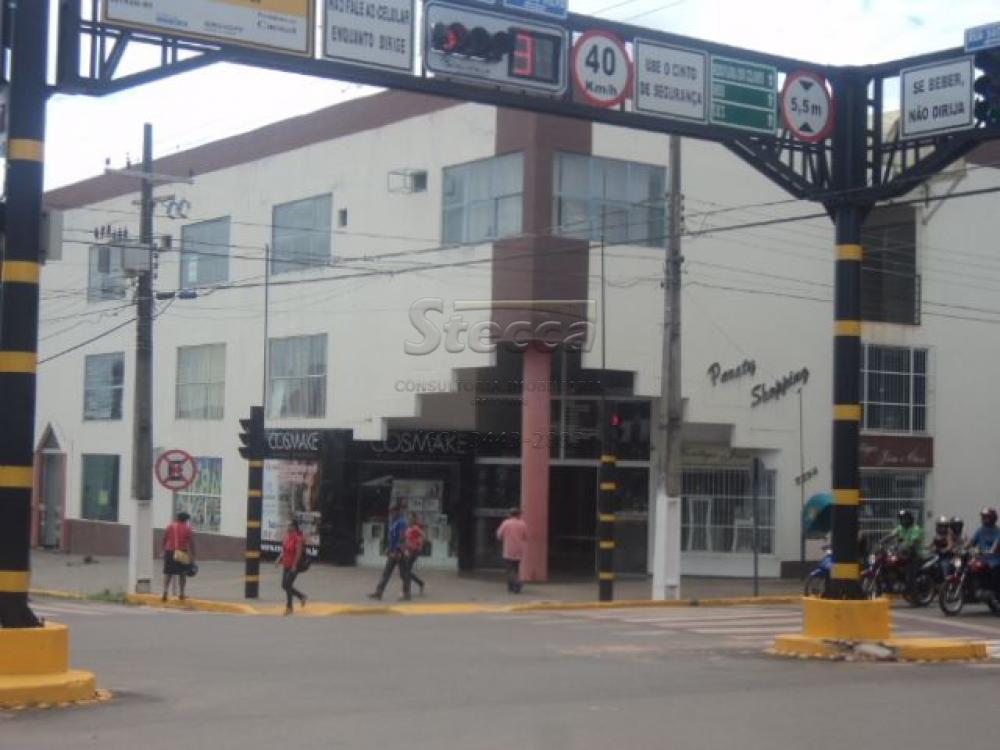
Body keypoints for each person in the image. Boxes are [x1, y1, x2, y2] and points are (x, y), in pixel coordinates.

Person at [369, 505, 411, 601]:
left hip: (400, 552)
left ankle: (406, 593)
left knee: (403, 574)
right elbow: (392, 537)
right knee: (386, 572)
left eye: (393, 512)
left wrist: (398, 551)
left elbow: (402, 537)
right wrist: (389, 548)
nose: (391, 514)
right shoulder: (394, 522)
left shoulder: (402, 522)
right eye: (391, 512)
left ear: (398, 511)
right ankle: (379, 592)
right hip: (393, 552)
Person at [276, 520, 308, 616]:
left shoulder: (297, 539)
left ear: (294, 527)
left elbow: (298, 553)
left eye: (289, 525)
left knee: (288, 584)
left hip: (294, 566)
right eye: (287, 525)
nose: (288, 527)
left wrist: (294, 565)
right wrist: (279, 559)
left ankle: (289, 607)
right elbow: (284, 550)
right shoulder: (286, 537)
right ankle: (302, 596)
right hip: (286, 564)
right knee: (284, 585)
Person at [162, 511, 195, 602]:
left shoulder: (170, 526)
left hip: (170, 551)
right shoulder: (188, 528)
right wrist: (193, 554)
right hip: (181, 552)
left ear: (177, 518)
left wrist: (163, 549)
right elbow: (191, 542)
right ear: (186, 520)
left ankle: (165, 591)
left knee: (168, 573)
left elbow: (165, 538)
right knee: (183, 573)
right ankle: (181, 593)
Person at [968, 507, 1000, 595]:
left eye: (986, 517)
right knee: (970, 567)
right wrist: (963, 547)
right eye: (983, 517)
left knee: (994, 572)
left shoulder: (997, 532)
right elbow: (972, 542)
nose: (983, 519)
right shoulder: (980, 530)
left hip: (995, 560)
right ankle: (974, 589)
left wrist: (991, 551)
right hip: (982, 559)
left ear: (992, 518)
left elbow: (996, 546)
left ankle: (994, 592)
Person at [496, 507, 527, 594]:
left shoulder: (506, 523)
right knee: (516, 568)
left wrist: (502, 538)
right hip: (519, 549)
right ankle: (511, 587)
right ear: (518, 515)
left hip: (509, 548)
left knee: (509, 569)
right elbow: (525, 536)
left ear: (510, 514)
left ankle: (517, 582)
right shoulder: (522, 524)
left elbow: (499, 535)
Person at [404, 512, 426, 596]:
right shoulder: (409, 528)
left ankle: (407, 590)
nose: (409, 519)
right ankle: (420, 583)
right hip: (409, 550)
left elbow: (423, 536)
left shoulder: (416, 528)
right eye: (409, 518)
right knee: (407, 571)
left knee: (406, 571)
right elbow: (407, 539)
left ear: (414, 519)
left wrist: (417, 544)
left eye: (411, 518)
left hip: (414, 551)